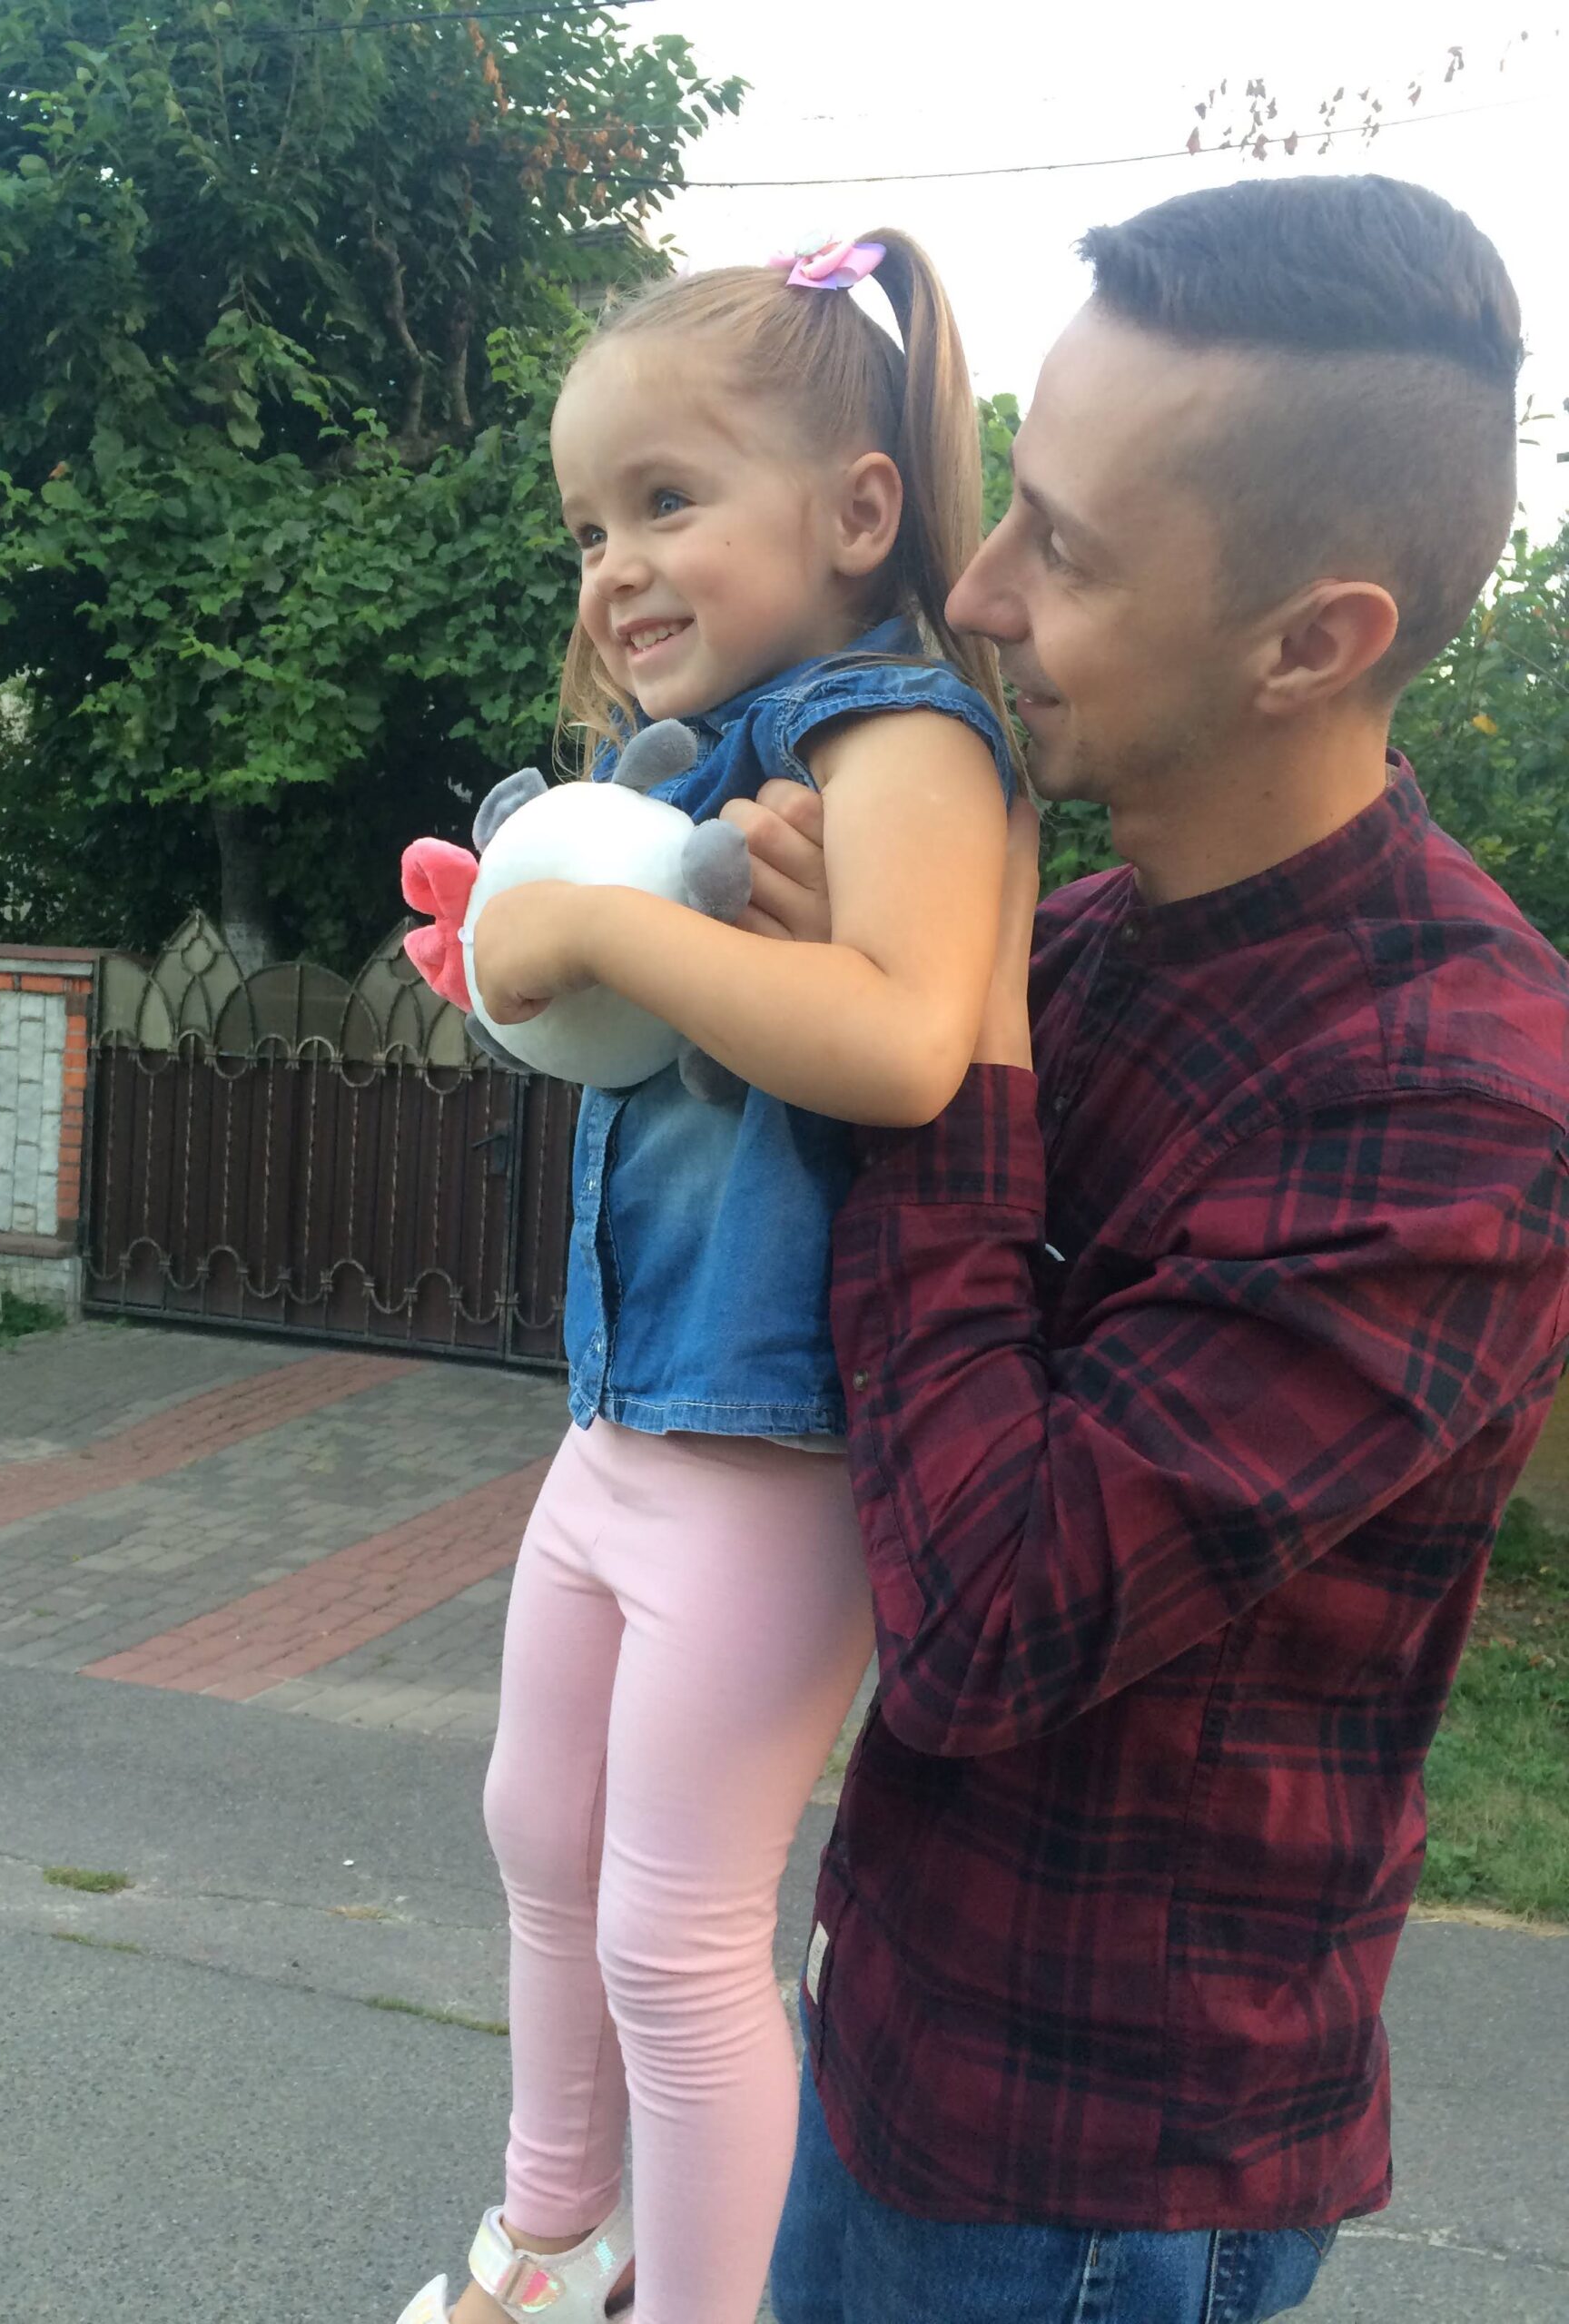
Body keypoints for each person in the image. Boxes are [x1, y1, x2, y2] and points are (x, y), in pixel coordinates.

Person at [717, 175, 1569, 2324]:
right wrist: (800, 999)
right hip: (895, 2032)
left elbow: (989, 1616)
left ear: (1314, 642)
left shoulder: (1459, 1099)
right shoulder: (1073, 945)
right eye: (1011, 503)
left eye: (1070, 551)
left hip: (1095, 2189)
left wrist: (940, 1068)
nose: (976, 591)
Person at [396, 231, 1020, 2324]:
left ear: (858, 510)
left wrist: (603, 934)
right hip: (627, 1413)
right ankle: (555, 2229)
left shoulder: (899, 731)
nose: (614, 567)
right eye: (589, 526)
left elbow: (904, 1039)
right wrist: (544, 951)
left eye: (666, 499)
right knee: (537, 1826)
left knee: (674, 1931)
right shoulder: (684, 761)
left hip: (775, 1447)